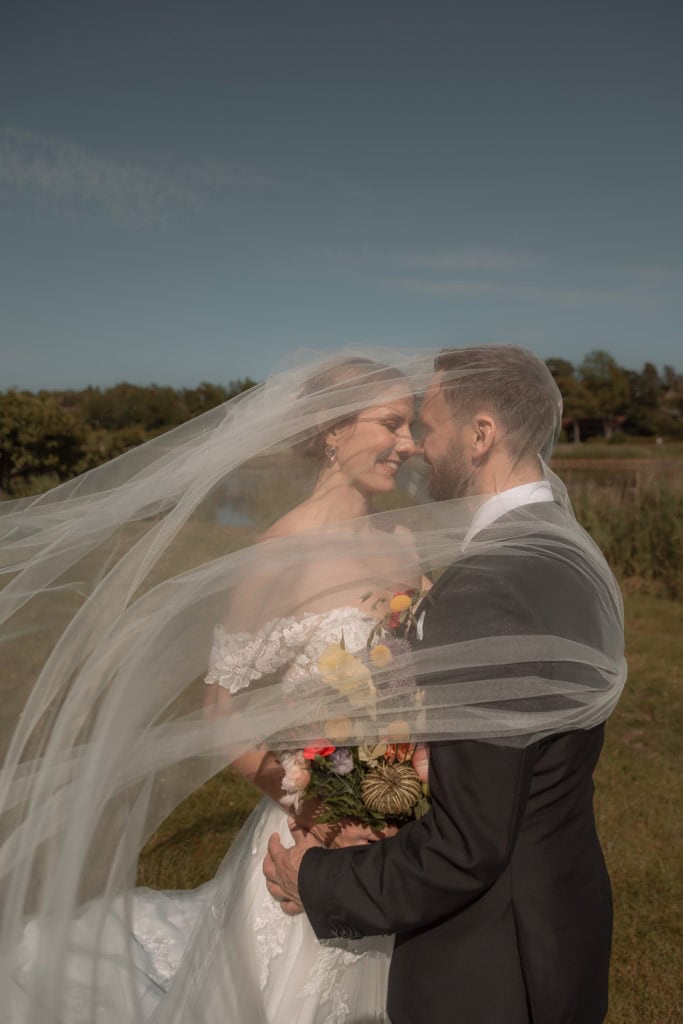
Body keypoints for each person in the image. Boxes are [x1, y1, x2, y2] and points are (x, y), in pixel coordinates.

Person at [0, 347, 625, 1024]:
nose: (410, 444)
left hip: (399, 833)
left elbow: (441, 696)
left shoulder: (405, 541)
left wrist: (405, 773)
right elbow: (222, 713)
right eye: (391, 424)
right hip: (319, 825)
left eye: (417, 425)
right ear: (333, 431)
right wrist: (318, 811)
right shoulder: (277, 552)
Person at [264, 346, 624, 1024]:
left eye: (428, 426)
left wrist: (313, 880)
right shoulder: (561, 546)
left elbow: (467, 844)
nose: (419, 447)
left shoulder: (488, 584)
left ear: (480, 435)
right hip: (559, 909)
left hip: (489, 957)